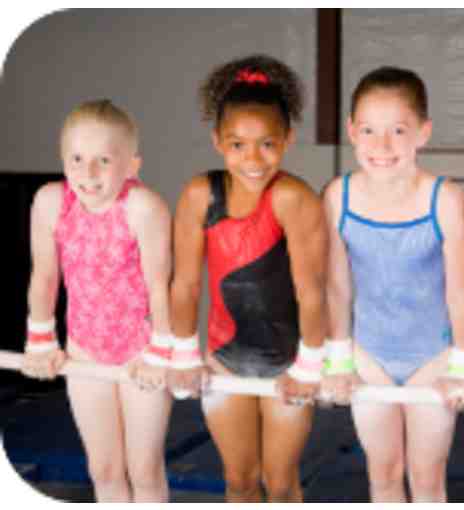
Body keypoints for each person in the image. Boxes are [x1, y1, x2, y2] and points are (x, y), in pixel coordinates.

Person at [168, 54, 327, 503]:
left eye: (267, 144)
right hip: (225, 357)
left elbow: (312, 292)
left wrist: (309, 365)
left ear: (288, 140)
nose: (253, 159)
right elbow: (185, 284)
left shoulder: (293, 197)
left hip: (287, 362)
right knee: (239, 480)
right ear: (218, 141)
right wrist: (184, 355)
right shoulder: (200, 195)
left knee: (280, 483)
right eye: (237, 144)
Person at [322, 66, 464, 503]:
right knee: (383, 473)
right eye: (369, 130)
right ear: (351, 131)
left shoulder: (444, 198)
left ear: (423, 133)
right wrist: (338, 360)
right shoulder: (338, 196)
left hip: (433, 356)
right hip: (369, 354)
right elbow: (337, 286)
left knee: (427, 477)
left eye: (398, 131)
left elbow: (459, 291)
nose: (382, 146)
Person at [21, 99, 174, 502]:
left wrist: (160, 352)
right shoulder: (51, 201)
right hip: (85, 349)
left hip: (141, 351)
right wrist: (41, 341)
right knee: (103, 469)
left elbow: (161, 286)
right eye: (77, 159)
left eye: (103, 160)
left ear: (132, 166)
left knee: (144, 470)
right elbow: (45, 276)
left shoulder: (144, 207)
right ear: (63, 159)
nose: (88, 174)